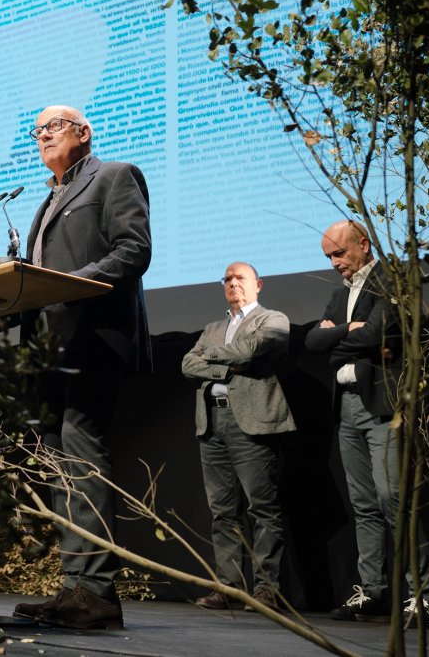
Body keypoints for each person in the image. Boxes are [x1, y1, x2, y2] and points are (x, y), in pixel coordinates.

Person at [12, 104, 151, 630]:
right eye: (38, 130)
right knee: (57, 464)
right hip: (50, 351)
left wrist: (73, 286)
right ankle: (73, 587)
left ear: (84, 131)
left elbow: (134, 251)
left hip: (93, 341)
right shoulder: (48, 198)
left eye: (54, 126)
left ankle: (96, 590)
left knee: (82, 455)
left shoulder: (114, 176)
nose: (44, 136)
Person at [304, 221, 429, 627]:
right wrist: (348, 331)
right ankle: (373, 592)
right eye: (329, 256)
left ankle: (422, 596)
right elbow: (312, 343)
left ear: (363, 244)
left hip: (382, 404)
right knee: (363, 505)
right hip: (345, 408)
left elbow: (381, 332)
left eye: (340, 254)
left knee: (393, 499)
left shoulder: (391, 280)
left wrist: (336, 338)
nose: (335, 263)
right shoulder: (338, 294)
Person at [181, 262, 292, 612]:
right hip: (213, 422)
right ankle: (229, 588)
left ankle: (266, 590)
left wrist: (210, 358)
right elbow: (187, 364)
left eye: (239, 278)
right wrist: (228, 364)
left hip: (252, 421)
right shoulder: (213, 327)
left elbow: (252, 351)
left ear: (257, 284)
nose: (232, 283)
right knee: (223, 512)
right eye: (227, 279)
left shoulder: (273, 319)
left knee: (262, 509)